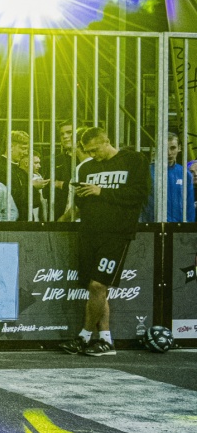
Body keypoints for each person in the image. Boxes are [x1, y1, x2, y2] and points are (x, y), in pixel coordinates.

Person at [60, 125, 150, 356]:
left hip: (117, 233)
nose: (92, 155)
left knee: (98, 285)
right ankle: (105, 340)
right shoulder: (86, 167)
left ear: (106, 141)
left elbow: (140, 194)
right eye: (88, 151)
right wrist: (82, 195)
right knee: (97, 289)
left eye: (95, 149)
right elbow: (82, 204)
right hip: (90, 232)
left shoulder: (133, 160)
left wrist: (101, 191)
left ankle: (84, 336)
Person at [140, 130, 195, 222]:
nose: (169, 153)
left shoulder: (185, 174)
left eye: (173, 148)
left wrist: (188, 227)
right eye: (164, 148)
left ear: (179, 148)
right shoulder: (147, 172)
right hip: (152, 226)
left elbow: (190, 207)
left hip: (178, 227)